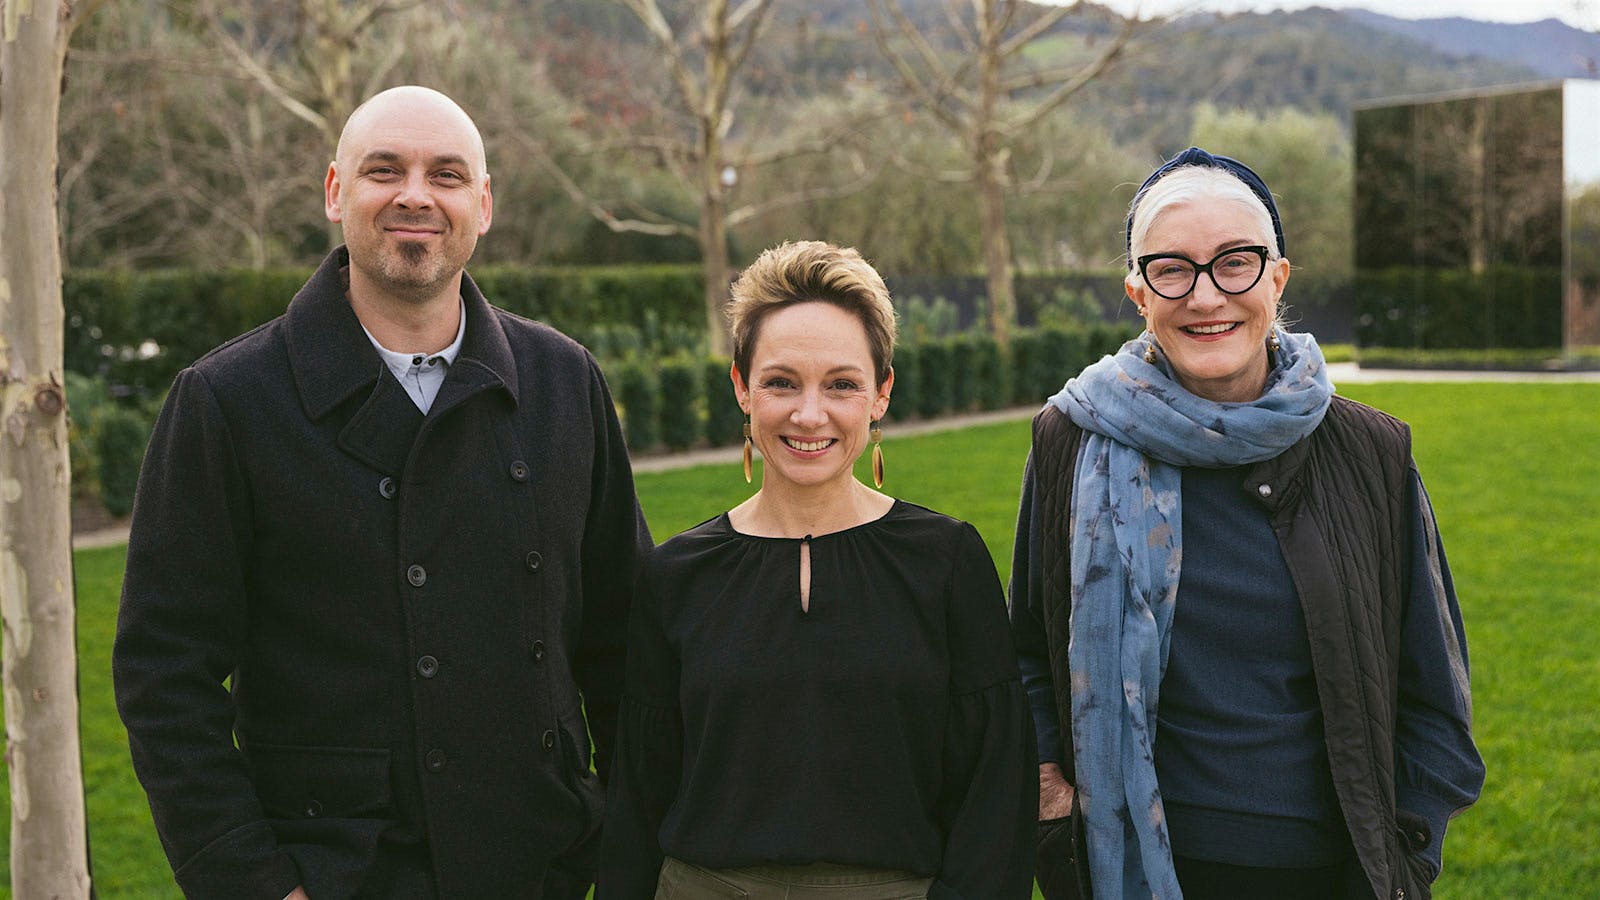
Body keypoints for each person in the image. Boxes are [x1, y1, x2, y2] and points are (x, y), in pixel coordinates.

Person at [113, 85, 651, 900]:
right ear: (336, 192)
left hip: (543, 865)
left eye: (445, 174)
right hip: (337, 870)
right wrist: (252, 883)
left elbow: (626, 645)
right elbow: (164, 678)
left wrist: (623, 857)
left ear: (483, 203)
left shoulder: (562, 380)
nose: (415, 196)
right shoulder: (228, 401)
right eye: (383, 170)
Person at [1009, 147, 1485, 900]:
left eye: (1236, 262)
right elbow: (1029, 652)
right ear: (1138, 291)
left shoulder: (1370, 450)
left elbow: (1433, 690)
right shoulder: (1070, 438)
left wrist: (1407, 850)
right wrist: (1049, 804)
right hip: (1129, 868)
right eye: (1172, 269)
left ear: (1277, 278)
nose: (1206, 296)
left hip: (1331, 874)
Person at [596, 241, 1036, 899]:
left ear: (880, 394)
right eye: (781, 382)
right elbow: (635, 800)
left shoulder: (945, 564)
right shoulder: (675, 577)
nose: (809, 414)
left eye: (841, 384)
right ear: (742, 388)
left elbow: (996, 795)